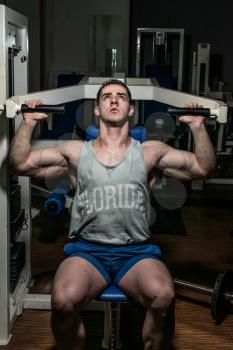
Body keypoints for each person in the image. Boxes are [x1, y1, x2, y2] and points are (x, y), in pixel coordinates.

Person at [8, 79, 216, 350]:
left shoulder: (149, 152)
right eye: (107, 97)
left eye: (121, 96)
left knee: (163, 296)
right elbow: (18, 164)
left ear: (131, 109)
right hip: (87, 253)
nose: (114, 100)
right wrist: (29, 123)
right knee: (61, 300)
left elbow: (204, 168)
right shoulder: (76, 152)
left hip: (136, 253)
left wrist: (197, 127)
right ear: (97, 109)